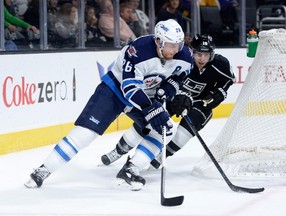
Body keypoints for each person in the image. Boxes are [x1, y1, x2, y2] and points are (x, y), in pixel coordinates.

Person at [24, 19, 194, 189]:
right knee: (85, 134)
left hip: (147, 95)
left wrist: (170, 89)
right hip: (115, 91)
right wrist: (150, 108)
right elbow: (130, 88)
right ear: (158, 41)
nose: (175, 50)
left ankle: (131, 169)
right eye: (171, 45)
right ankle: (43, 169)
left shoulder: (184, 55)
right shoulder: (139, 50)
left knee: (166, 128)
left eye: (178, 44)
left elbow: (182, 74)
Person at [101, 34, 235, 178]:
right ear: (192, 52)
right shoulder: (183, 60)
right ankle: (119, 150)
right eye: (198, 54)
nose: (202, 58)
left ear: (212, 54)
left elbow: (228, 81)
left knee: (191, 125)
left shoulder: (220, 64)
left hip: (200, 102)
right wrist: (174, 93)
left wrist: (220, 93)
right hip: (174, 98)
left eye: (206, 55)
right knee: (149, 121)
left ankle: (160, 157)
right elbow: (166, 80)